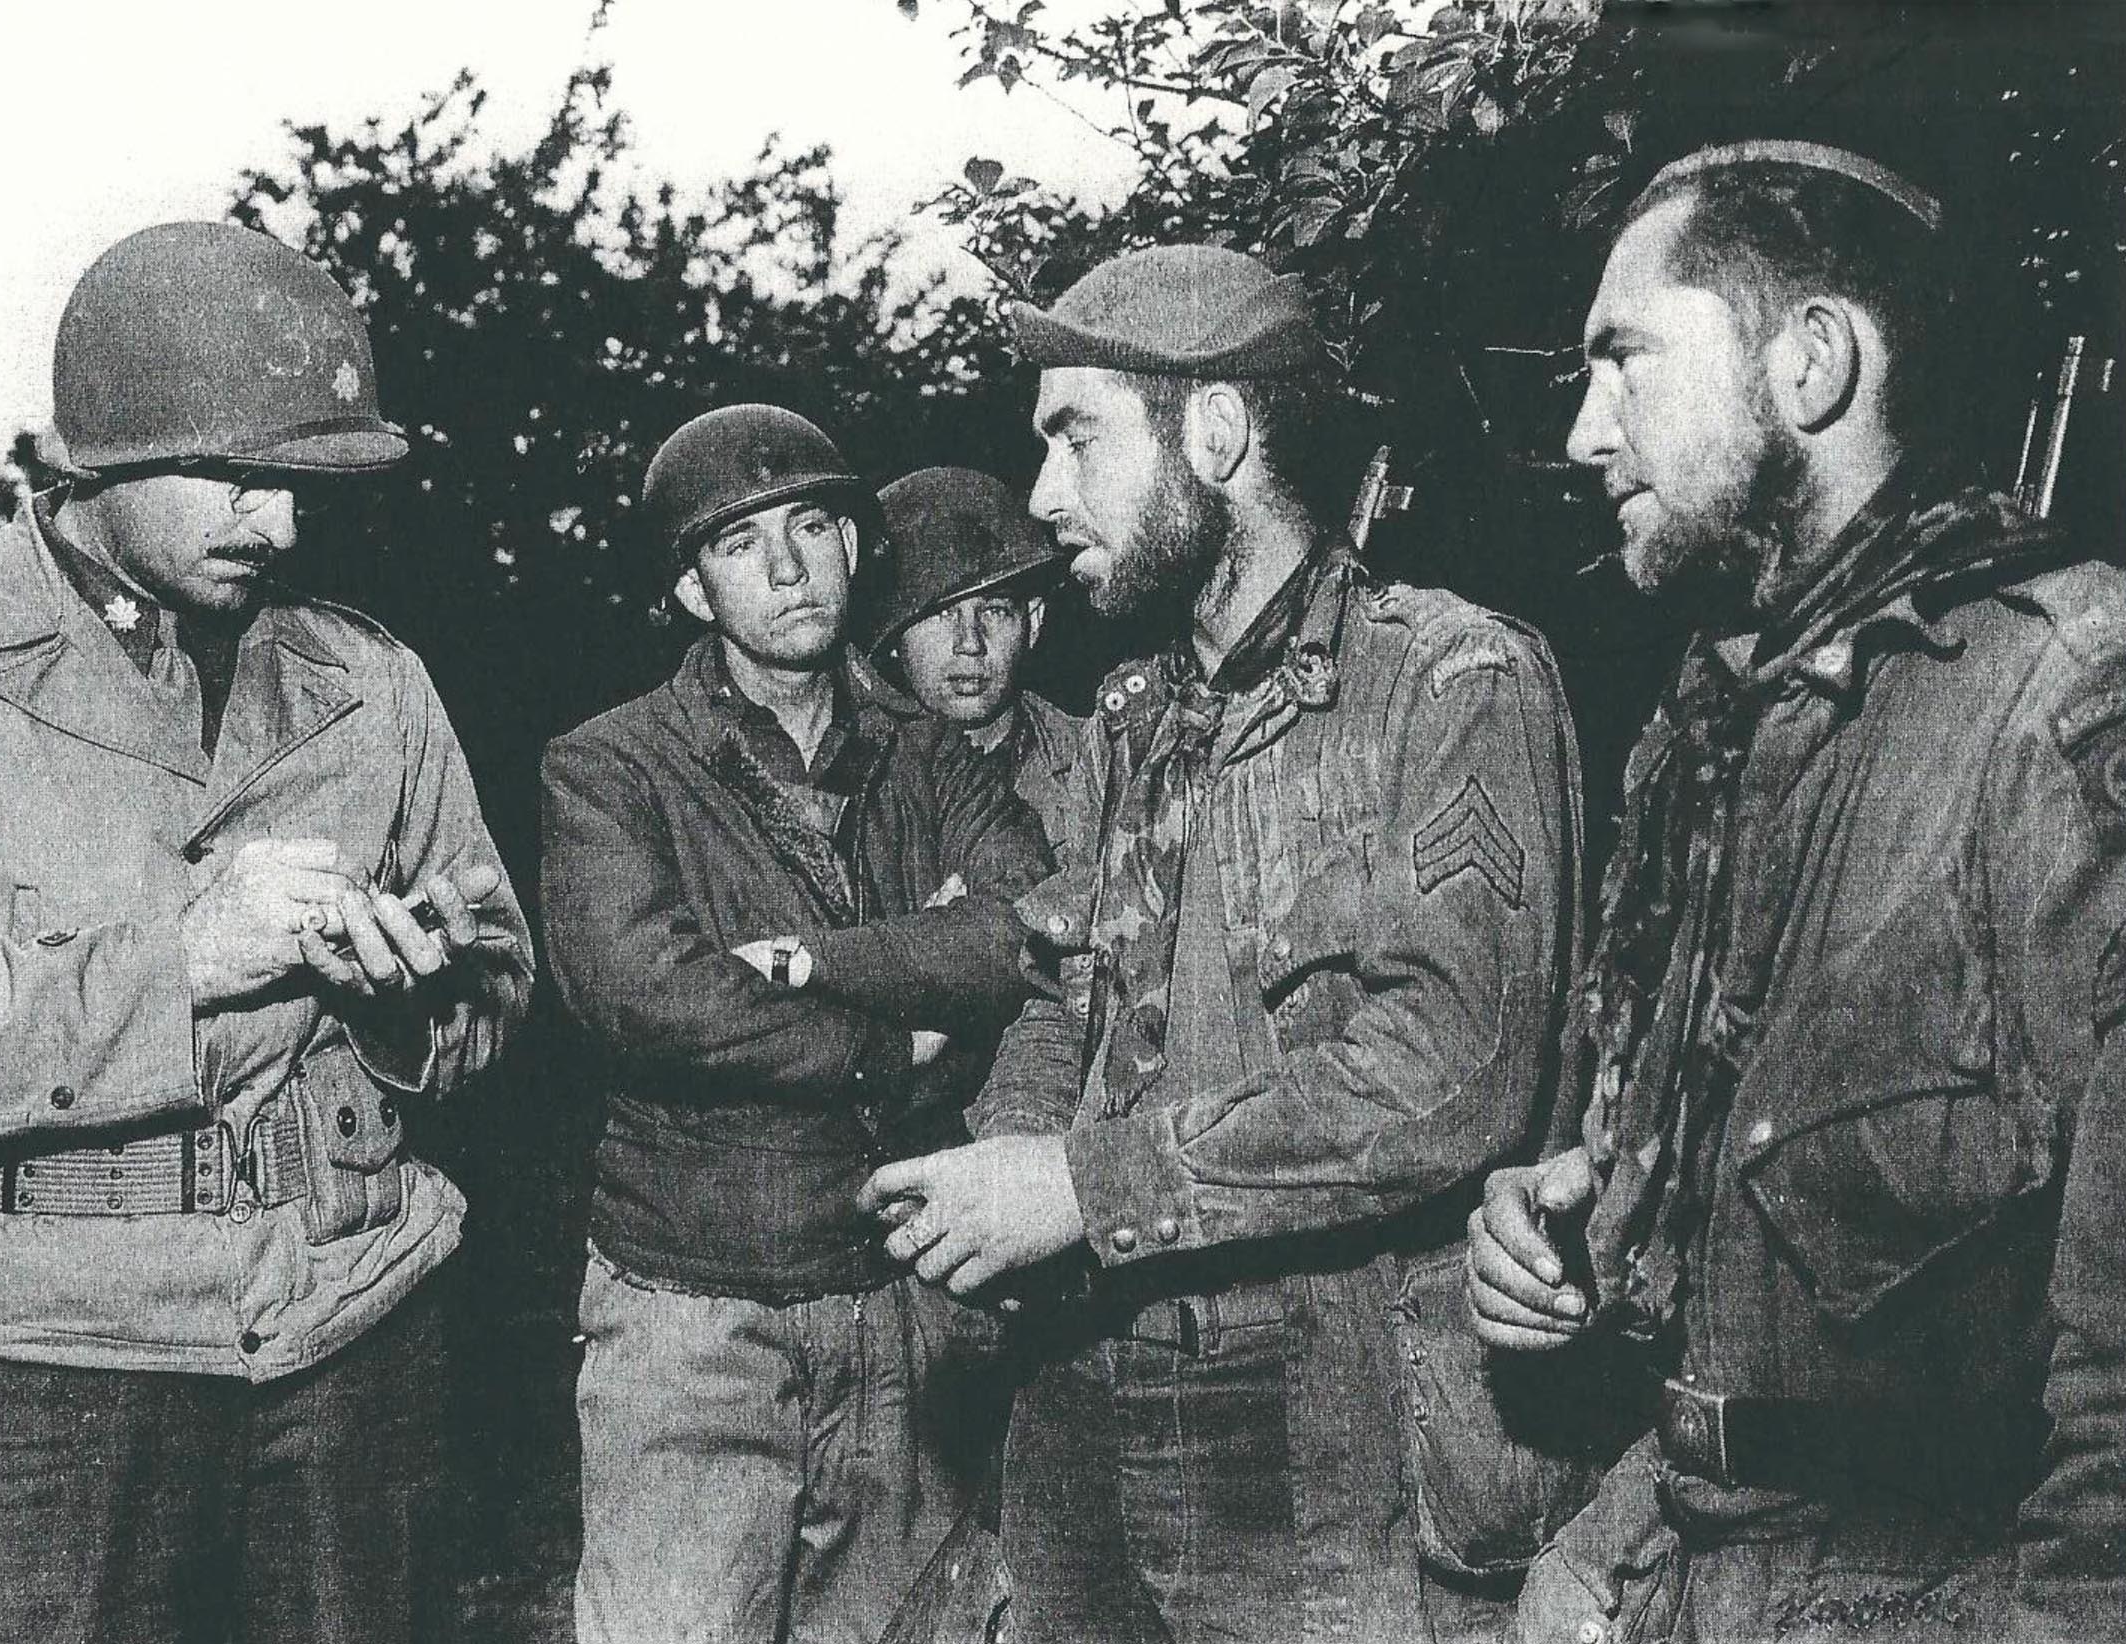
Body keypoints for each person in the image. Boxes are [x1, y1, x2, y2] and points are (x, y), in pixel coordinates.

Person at [859, 245, 1584, 1643]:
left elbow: (1447, 1071)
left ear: (1214, 431)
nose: (1039, 498)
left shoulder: (1449, 681)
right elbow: (1075, 987)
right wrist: (989, 1192)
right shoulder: (1140, 713)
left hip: (1333, 1433)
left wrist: (1077, 1184)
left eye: (1073, 438)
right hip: (1089, 1399)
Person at [1466, 140, 2126, 1642]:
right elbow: (1739, 1264)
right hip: (1686, 1556)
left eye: (1621, 358)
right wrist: (1554, 1229)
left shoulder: (2059, 699)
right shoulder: (1706, 736)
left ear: (1810, 361)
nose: (1583, 431)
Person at [0, 220, 534, 1643]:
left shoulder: (369, 681)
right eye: (241, 478)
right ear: (97, 462)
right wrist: (181, 963)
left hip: (351, 1326)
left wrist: (408, 996)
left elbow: (499, 981)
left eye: (303, 483)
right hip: (30, 1360)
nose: (284, 525)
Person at [540, 405, 1055, 1644]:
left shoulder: (928, 758)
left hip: (893, 1303)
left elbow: (1023, 924)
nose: (786, 570)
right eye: (739, 543)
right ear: (688, 585)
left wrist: (813, 963)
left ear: (855, 548)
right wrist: (892, 1038)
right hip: (691, 1307)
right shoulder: (611, 767)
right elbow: (645, 993)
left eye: (813, 527)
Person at [869, 465, 1086, 867]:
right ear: (894, 636)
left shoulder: (1098, 765)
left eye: (996, 610)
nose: (970, 643)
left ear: (1033, 623)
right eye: (938, 614)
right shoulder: (859, 780)